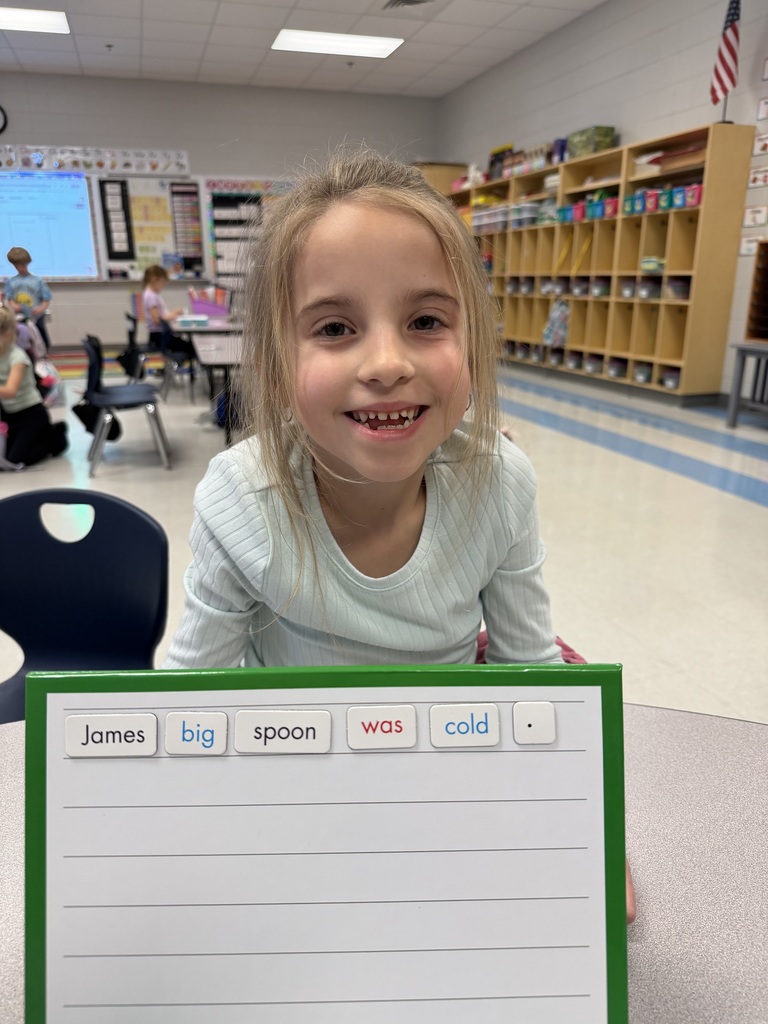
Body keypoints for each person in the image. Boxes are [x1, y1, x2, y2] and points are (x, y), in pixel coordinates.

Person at [162, 148, 635, 918]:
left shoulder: (499, 483)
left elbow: (532, 677)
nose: (387, 363)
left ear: (472, 342)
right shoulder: (240, 498)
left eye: (425, 321)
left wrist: (585, 830)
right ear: (277, 364)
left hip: (438, 786)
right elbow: (186, 703)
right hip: (291, 792)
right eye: (335, 327)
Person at [0, 308, 67, 466]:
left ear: (7, 335)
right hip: (10, 414)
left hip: (31, 413)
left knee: (15, 461)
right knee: (4, 456)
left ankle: (55, 436)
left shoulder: (17, 357)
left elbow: (10, 391)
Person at [3, 246, 53, 350]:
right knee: (22, 338)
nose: (20, 268)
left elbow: (46, 299)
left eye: (22, 265)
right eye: (17, 266)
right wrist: (14, 306)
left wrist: (40, 308)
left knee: (41, 338)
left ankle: (44, 354)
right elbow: (9, 298)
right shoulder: (11, 282)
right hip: (20, 317)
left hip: (37, 317)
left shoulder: (38, 281)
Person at [141, 264, 195, 360]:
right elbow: (156, 320)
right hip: (160, 337)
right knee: (192, 348)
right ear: (155, 279)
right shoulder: (151, 296)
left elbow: (161, 315)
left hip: (159, 335)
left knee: (189, 345)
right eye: (163, 283)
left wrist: (173, 313)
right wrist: (173, 316)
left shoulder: (150, 294)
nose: (163, 287)